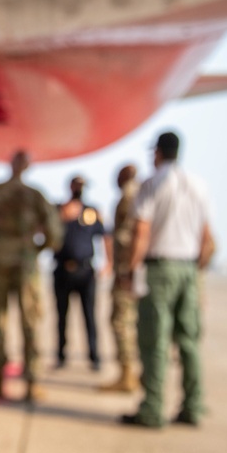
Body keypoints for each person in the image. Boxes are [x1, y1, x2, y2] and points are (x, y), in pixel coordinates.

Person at [120, 132, 215, 428]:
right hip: (189, 268)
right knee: (189, 341)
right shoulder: (198, 185)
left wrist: (130, 270)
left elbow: (141, 233)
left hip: (159, 268)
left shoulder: (151, 184)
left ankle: (152, 409)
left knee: (154, 341)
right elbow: (208, 239)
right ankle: (193, 406)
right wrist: (196, 270)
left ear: (157, 153)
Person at [0, 151, 62, 402]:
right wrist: (36, 249)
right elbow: (53, 231)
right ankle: (31, 382)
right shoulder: (34, 195)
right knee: (29, 320)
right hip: (25, 259)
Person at [53, 175, 107, 371]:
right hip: (62, 271)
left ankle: (94, 356)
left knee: (90, 316)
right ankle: (60, 355)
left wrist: (107, 264)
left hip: (85, 271)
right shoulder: (58, 210)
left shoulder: (92, 212)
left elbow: (104, 236)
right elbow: (45, 231)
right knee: (61, 316)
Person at [101, 164, 140, 392]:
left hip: (127, 271)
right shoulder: (142, 193)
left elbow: (129, 235)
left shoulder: (128, 197)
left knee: (120, 321)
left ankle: (127, 375)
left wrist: (126, 269)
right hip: (135, 270)